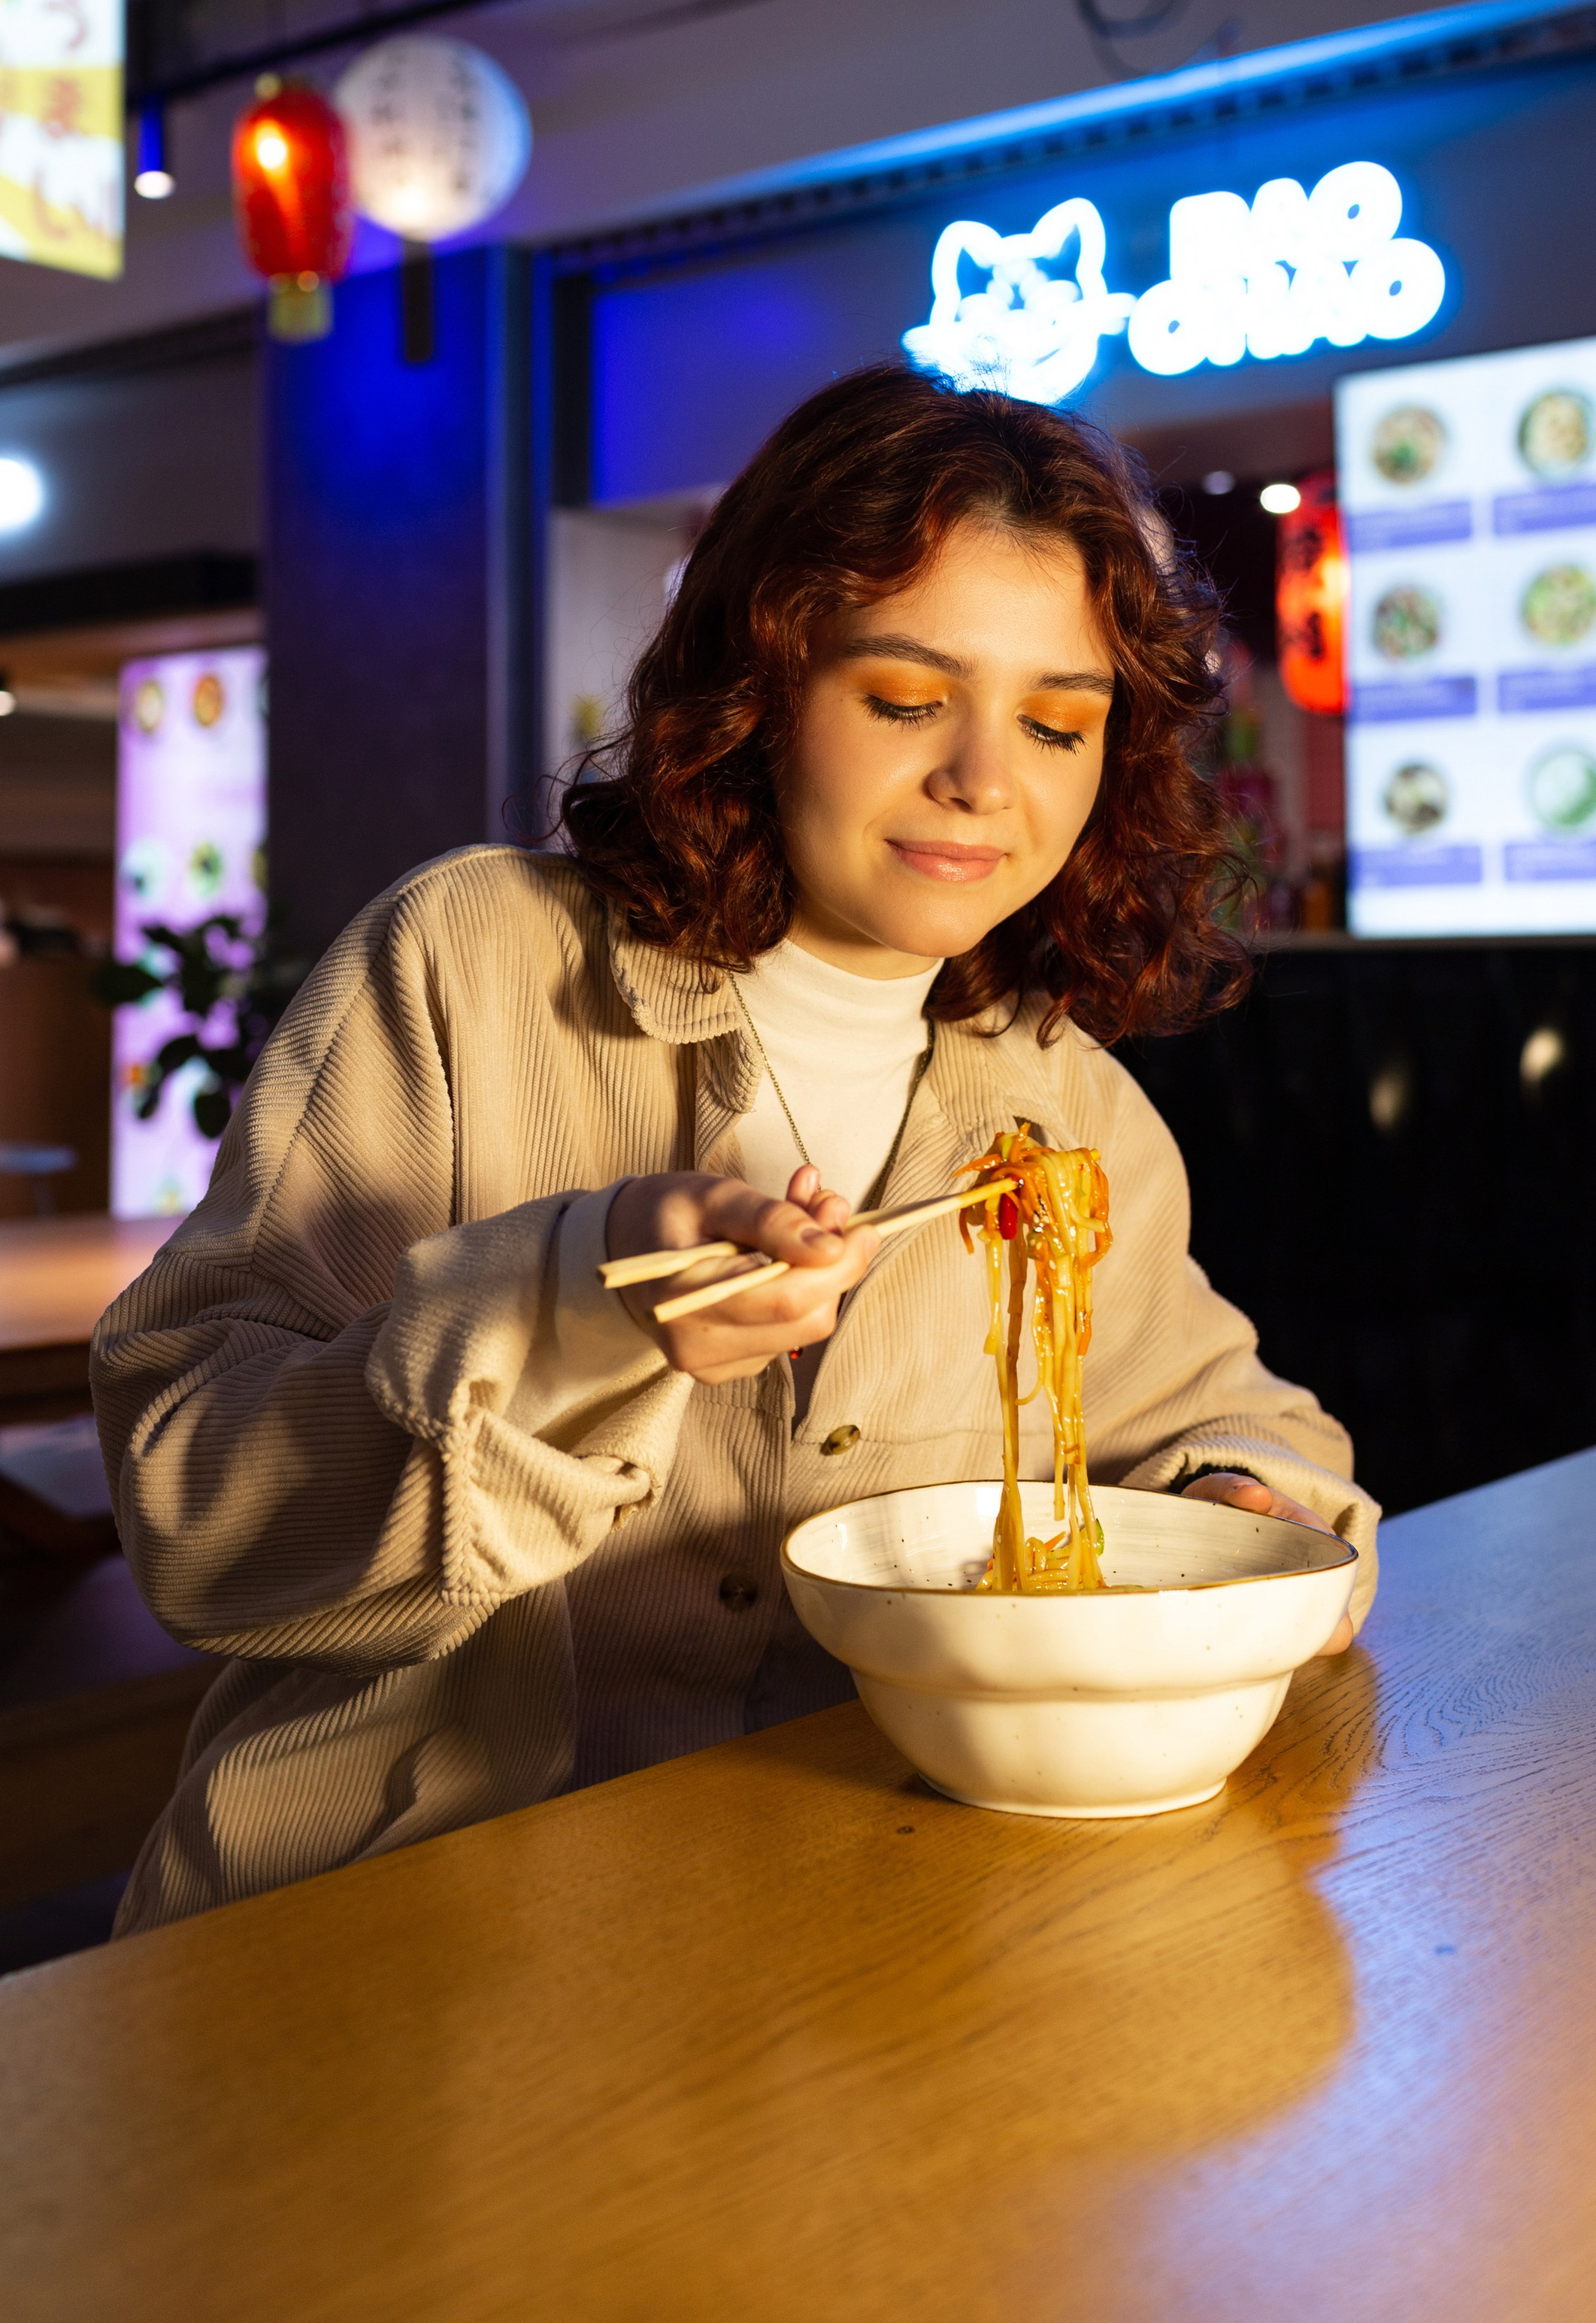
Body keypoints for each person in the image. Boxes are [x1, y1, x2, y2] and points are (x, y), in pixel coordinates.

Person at [93, 365, 1378, 1932]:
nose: (985, 779)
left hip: (849, 1932)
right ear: (758, 682)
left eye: (1056, 722)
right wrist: (576, 1306)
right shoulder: (470, 959)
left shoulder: (1055, 1096)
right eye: (906, 701)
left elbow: (1233, 1425)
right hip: (392, 1925)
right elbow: (190, 1513)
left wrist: (1242, 1501)